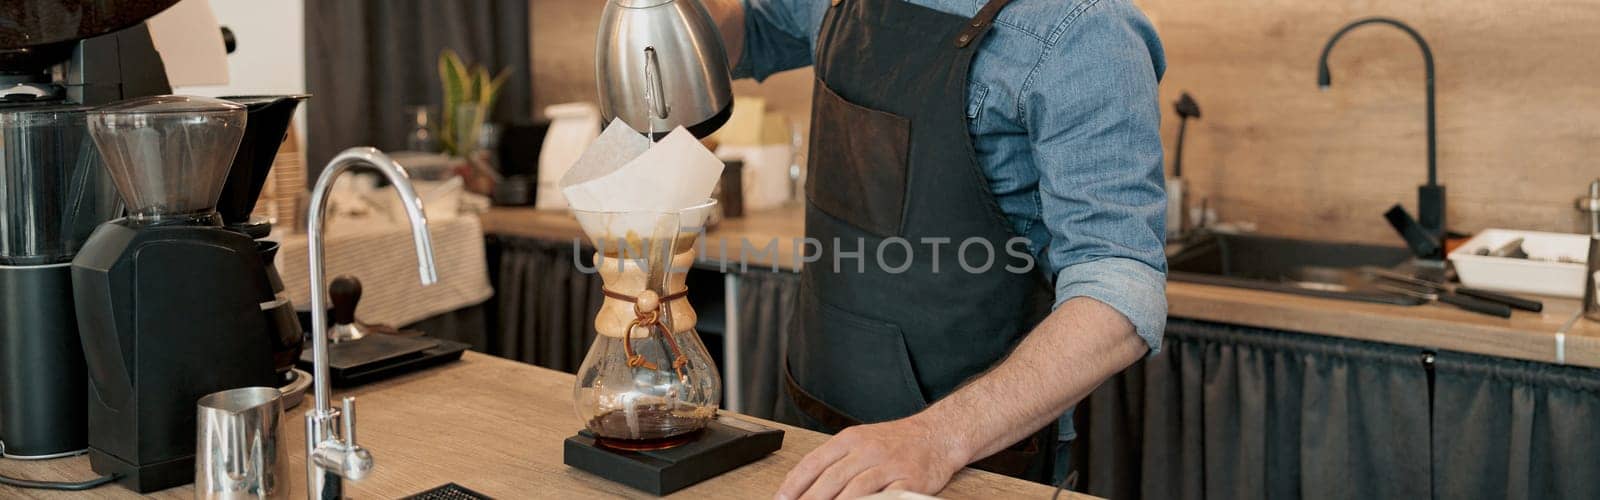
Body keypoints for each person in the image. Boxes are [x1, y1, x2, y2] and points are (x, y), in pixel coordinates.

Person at [702, 0, 1168, 498]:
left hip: (964, 463)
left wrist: (936, 438)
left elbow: (1121, 288)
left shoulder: (1084, 29)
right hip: (809, 426)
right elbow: (743, 38)